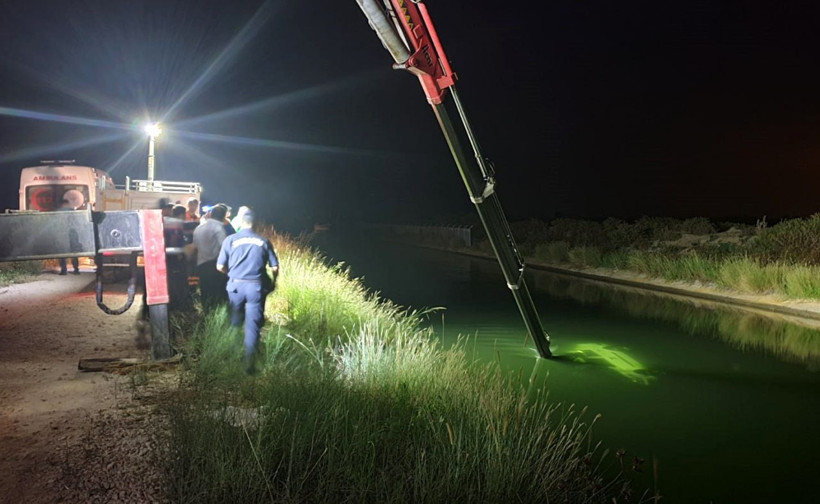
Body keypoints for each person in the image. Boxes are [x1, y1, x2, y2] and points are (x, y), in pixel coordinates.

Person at [216, 209, 279, 372]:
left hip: (235, 286)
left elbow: (220, 266)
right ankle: (249, 363)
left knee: (234, 322)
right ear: (255, 224)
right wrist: (273, 281)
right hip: (255, 287)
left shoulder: (230, 240)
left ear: (241, 223)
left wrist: (230, 273)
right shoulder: (264, 241)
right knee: (252, 325)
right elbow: (275, 266)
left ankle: (231, 356)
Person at [192, 204, 229, 309]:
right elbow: (223, 247)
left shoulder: (199, 228)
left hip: (202, 265)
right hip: (215, 266)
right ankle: (217, 319)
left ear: (211, 214)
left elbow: (195, 247)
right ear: (223, 216)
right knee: (218, 295)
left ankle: (206, 317)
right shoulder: (219, 228)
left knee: (206, 293)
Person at [57, 197, 80, 275]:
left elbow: (58, 222)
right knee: (74, 251)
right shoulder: (72, 211)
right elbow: (77, 222)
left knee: (62, 251)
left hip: (63, 233)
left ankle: (64, 270)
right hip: (72, 232)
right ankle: (76, 269)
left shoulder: (60, 212)